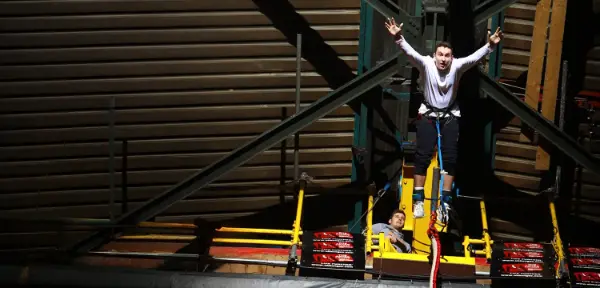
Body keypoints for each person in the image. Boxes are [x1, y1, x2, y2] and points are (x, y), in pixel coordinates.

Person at [384, 18, 504, 221]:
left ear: (451, 58)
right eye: (440, 55)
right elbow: (409, 52)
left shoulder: (457, 66)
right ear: (434, 56)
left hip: (449, 116)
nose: (443, 59)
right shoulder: (426, 64)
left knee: (449, 159)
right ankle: (419, 199)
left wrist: (490, 45)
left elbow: (474, 58)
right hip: (429, 114)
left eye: (447, 56)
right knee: (422, 156)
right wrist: (398, 36)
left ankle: (446, 203)